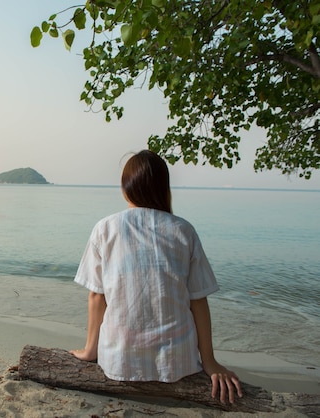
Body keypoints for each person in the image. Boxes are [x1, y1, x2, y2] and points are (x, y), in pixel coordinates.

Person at [70, 150, 243, 404]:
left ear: (125, 187)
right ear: (164, 187)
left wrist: (90, 351)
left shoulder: (105, 228)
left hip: (119, 360)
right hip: (177, 363)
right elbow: (198, 299)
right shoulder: (183, 230)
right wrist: (210, 361)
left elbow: (97, 296)